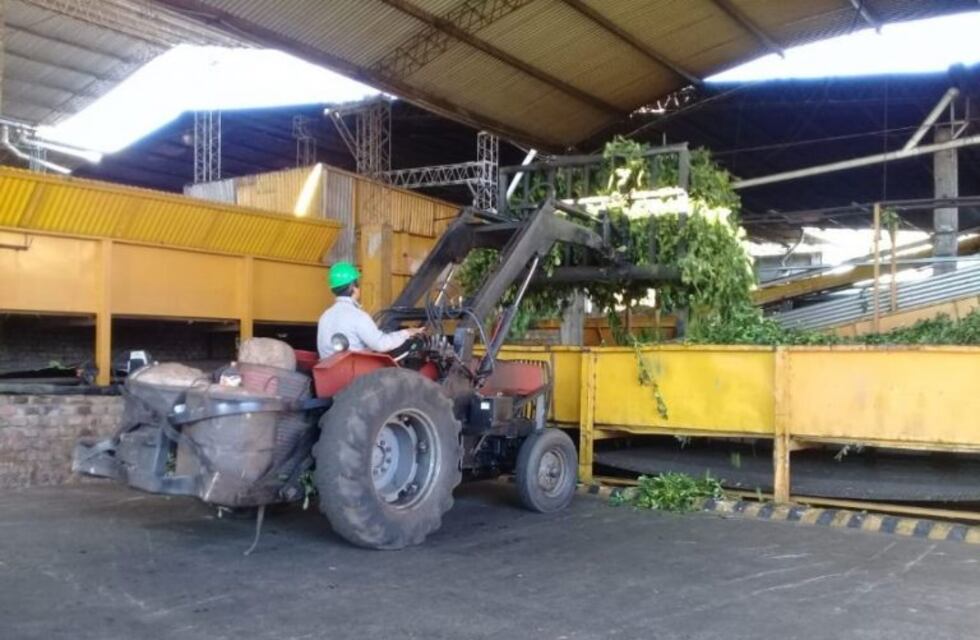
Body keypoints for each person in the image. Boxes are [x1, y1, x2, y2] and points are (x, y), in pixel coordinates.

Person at [317, 262, 424, 357]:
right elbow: (381, 344)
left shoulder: (325, 316)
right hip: (356, 373)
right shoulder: (357, 316)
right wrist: (407, 332)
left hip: (331, 372)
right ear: (353, 287)